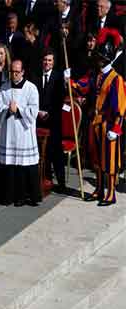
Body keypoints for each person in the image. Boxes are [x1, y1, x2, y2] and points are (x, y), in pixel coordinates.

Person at [66, 28, 126, 205]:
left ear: (105, 58)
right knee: (97, 160)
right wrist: (70, 81)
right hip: (95, 122)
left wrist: (116, 129)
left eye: (99, 57)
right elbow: (83, 86)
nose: (97, 59)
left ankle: (111, 193)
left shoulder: (116, 79)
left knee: (111, 160)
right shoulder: (96, 75)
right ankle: (99, 190)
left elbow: (121, 108)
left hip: (109, 124)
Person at [0, 59, 42, 206]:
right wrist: (7, 110)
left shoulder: (31, 89)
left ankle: (23, 197)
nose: (14, 75)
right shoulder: (4, 88)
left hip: (24, 134)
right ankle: (7, 197)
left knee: (23, 166)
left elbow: (34, 111)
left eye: (17, 72)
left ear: (23, 72)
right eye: (12, 72)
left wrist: (18, 110)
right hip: (8, 134)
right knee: (8, 166)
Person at [34, 49, 65, 192]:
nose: (47, 62)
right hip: (38, 119)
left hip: (53, 121)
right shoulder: (35, 75)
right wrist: (37, 112)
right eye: (45, 60)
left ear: (54, 62)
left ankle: (61, 182)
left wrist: (49, 113)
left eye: (50, 60)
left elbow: (59, 100)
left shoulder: (59, 77)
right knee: (40, 152)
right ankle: (44, 179)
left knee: (55, 152)